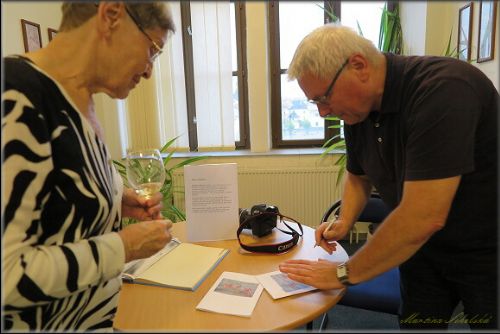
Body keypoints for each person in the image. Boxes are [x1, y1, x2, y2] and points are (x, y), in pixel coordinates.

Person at [279, 23, 498, 330]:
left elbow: (423, 217)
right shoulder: (358, 110)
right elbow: (358, 175)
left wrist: (343, 273)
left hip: (486, 252)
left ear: (358, 65)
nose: (323, 113)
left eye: (323, 98)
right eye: (315, 102)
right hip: (421, 252)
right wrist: (346, 220)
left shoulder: (443, 89)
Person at [2, 2, 176, 331]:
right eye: (153, 49)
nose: (150, 69)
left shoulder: (81, 103)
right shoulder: (16, 95)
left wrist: (116, 199)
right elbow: (7, 274)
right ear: (111, 16)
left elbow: (56, 202)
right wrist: (124, 247)